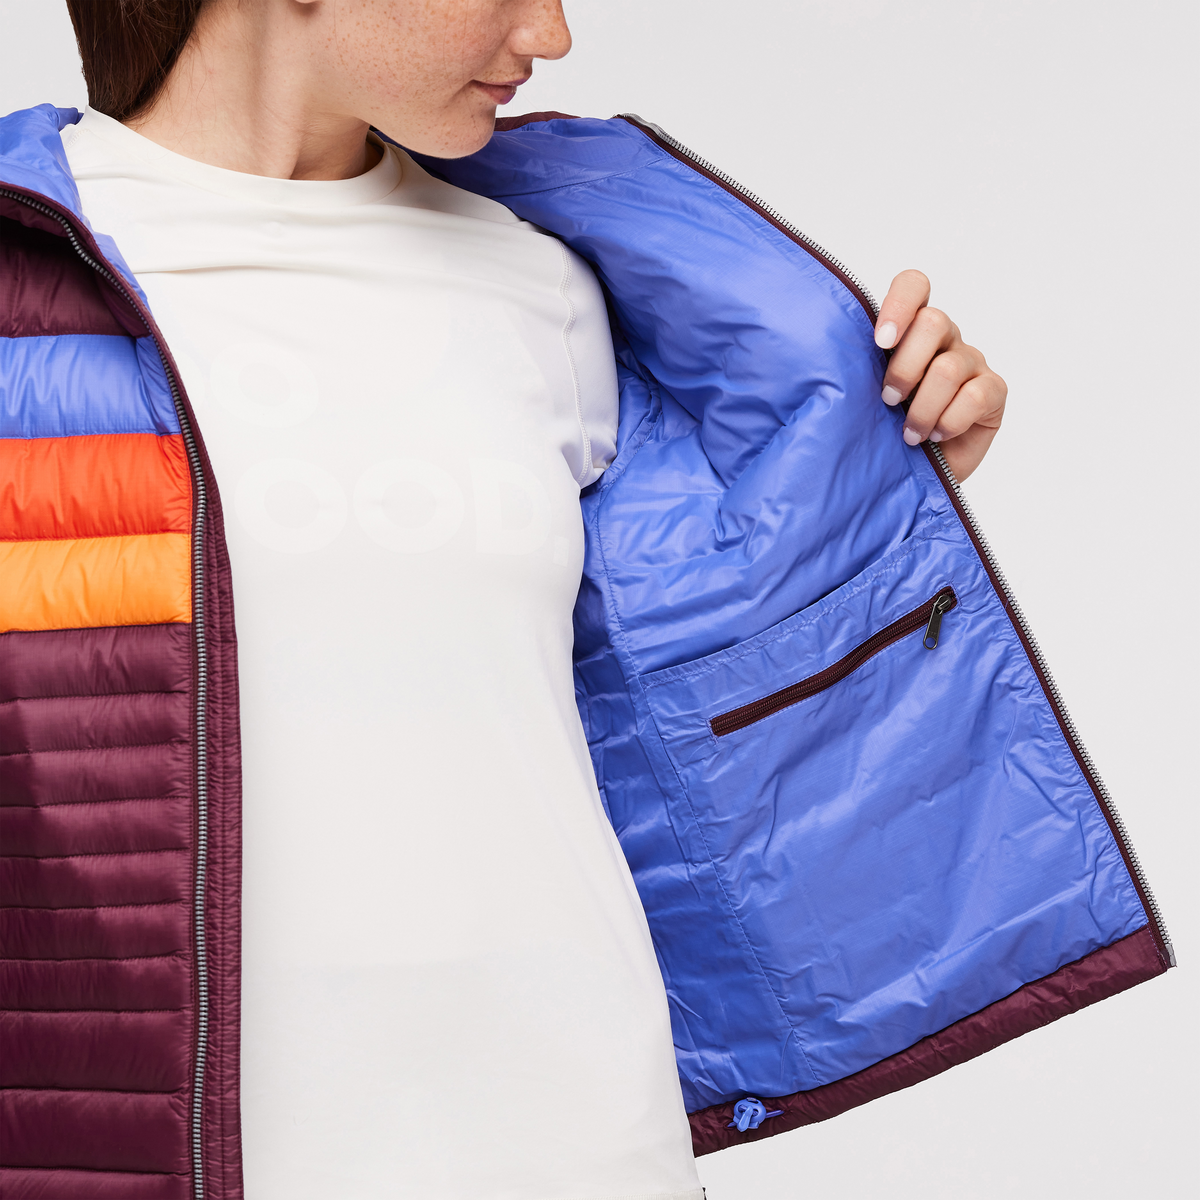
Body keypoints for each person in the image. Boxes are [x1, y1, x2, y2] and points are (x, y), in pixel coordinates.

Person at [1, 3, 1170, 1199]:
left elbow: (705, 670)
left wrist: (885, 472)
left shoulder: (544, 275)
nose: (552, 33)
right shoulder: (19, 291)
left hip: (581, 1144)